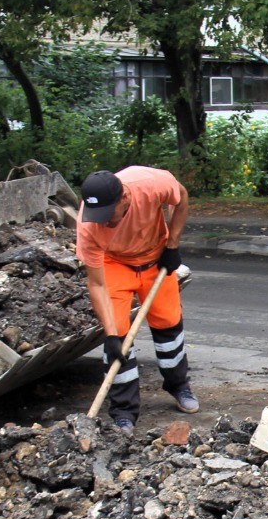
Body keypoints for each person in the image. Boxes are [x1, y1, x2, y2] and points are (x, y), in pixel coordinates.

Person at [76, 167, 198, 435]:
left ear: (124, 199)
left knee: (168, 323)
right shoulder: (90, 225)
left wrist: (173, 244)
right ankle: (123, 412)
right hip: (114, 263)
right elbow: (96, 283)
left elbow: (182, 196)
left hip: (155, 256)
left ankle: (178, 385)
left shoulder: (152, 184)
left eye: (109, 215)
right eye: (98, 216)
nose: (103, 222)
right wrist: (109, 335)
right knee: (118, 337)